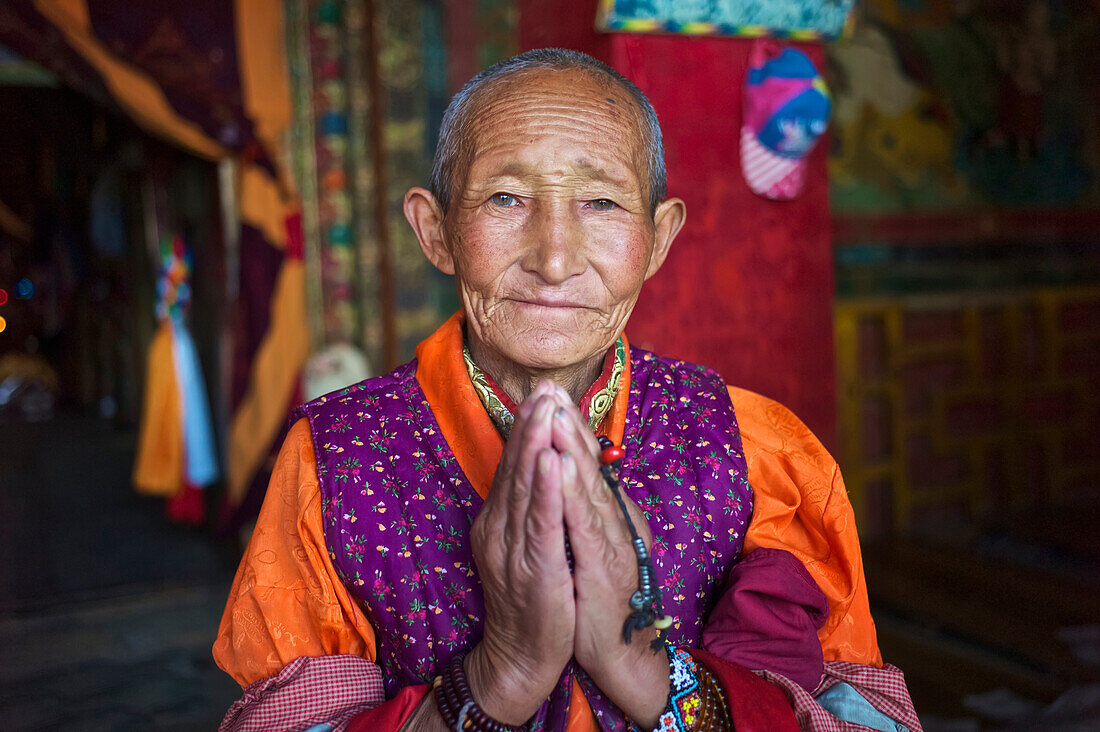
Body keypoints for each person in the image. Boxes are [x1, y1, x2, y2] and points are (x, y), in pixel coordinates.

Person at [214, 48, 920, 732]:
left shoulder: (761, 453)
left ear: (659, 239)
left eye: (603, 202)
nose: (554, 260)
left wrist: (643, 671)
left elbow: (841, 710)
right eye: (506, 197)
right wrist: (497, 680)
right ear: (437, 232)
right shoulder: (335, 461)